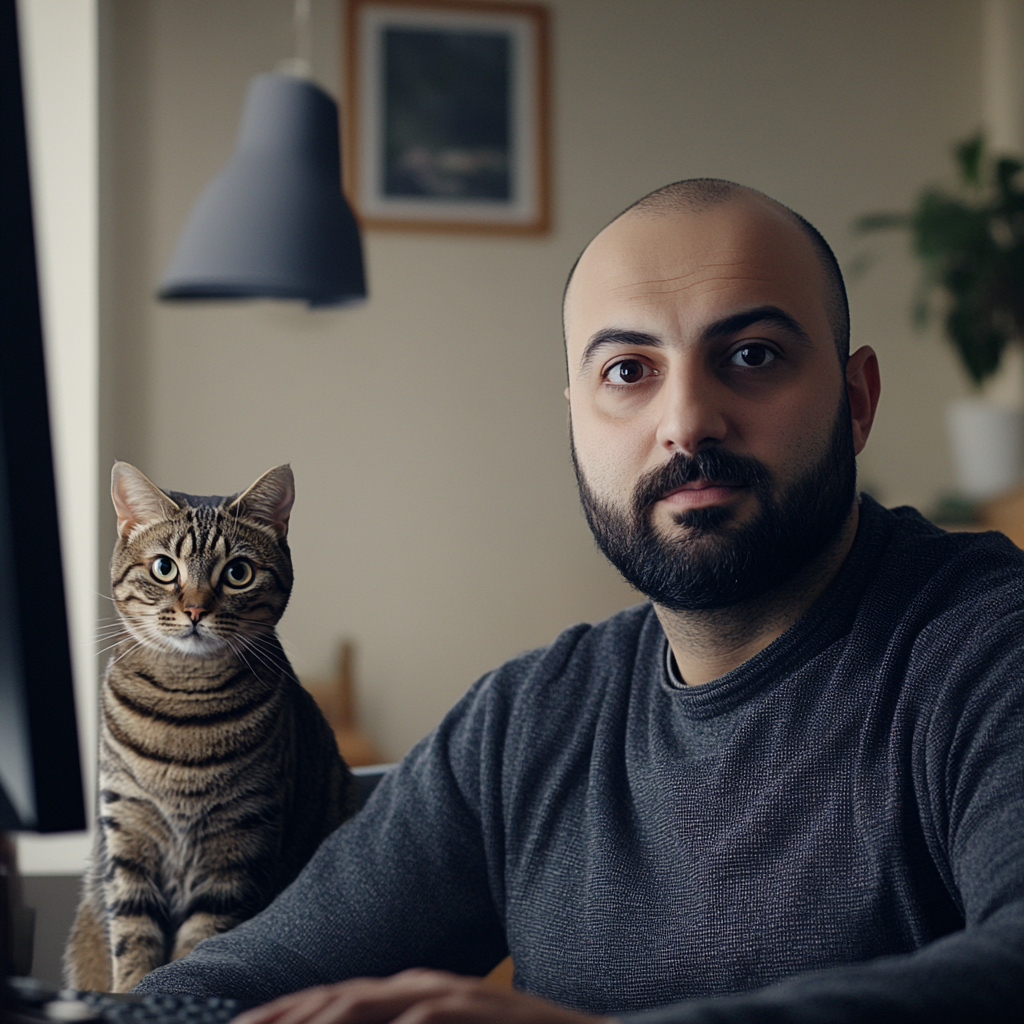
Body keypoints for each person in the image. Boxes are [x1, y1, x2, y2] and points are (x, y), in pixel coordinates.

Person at [135, 180, 1024, 1023]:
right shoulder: (523, 726)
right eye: (628, 371)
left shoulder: (987, 647)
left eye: (751, 356)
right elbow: (267, 969)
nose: (688, 421)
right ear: (576, 421)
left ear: (857, 399)